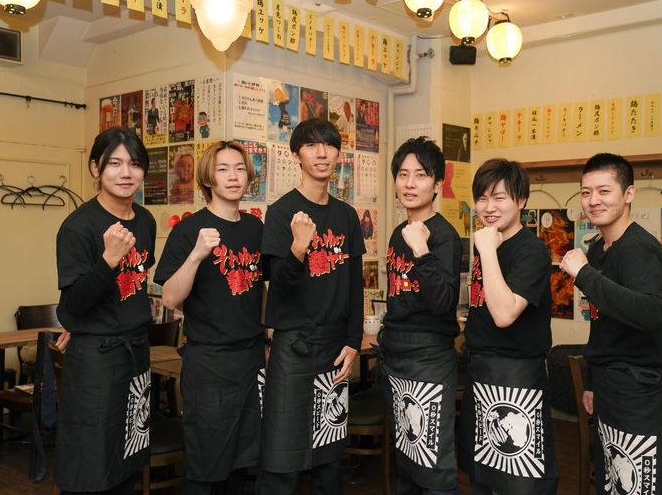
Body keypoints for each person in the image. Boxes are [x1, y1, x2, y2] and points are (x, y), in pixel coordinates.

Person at [559, 153, 662, 495]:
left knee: (643, 486)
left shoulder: (639, 249)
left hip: (640, 392)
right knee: (615, 483)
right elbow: (604, 325)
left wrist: (584, 274)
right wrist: (592, 382)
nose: (593, 200)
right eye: (586, 192)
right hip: (610, 388)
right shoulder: (600, 249)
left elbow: (650, 313)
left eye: (604, 191)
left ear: (628, 194)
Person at [258, 118, 365, 495]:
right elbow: (280, 285)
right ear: (296, 155)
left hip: (335, 345)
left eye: (330, 145)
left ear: (338, 154)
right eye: (311, 145)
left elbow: (354, 284)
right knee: (282, 454)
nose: (322, 153)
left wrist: (353, 341)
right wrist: (298, 248)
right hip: (294, 346)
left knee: (330, 453)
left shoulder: (347, 215)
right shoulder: (281, 212)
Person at [154, 141, 263, 494]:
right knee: (205, 465)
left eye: (240, 168)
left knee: (240, 464)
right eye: (223, 169)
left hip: (250, 359)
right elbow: (170, 298)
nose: (233, 176)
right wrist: (197, 255)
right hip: (209, 363)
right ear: (207, 178)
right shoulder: (190, 231)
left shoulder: (255, 229)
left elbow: (263, 290)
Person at [54, 127, 156, 494]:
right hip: (95, 360)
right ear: (95, 168)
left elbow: (135, 284)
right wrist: (108, 259)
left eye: (135, 164)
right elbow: (73, 303)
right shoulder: (78, 227)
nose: (126, 173)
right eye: (114, 163)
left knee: (130, 452)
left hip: (135, 350)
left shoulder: (145, 220)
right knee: (90, 460)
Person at [458, 158, 559, 494]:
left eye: (499, 198)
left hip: (517, 377)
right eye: (482, 198)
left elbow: (504, 315)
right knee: (481, 475)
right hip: (479, 372)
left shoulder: (532, 251)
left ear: (521, 201)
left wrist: (487, 250)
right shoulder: (488, 243)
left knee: (520, 479)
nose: (489, 207)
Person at [380, 137, 462, 494]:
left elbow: (443, 302)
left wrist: (422, 251)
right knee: (408, 459)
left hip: (428, 357)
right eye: (403, 174)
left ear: (437, 184)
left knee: (432, 463)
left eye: (420, 175)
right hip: (395, 355)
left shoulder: (444, 236)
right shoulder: (397, 233)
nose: (410, 183)